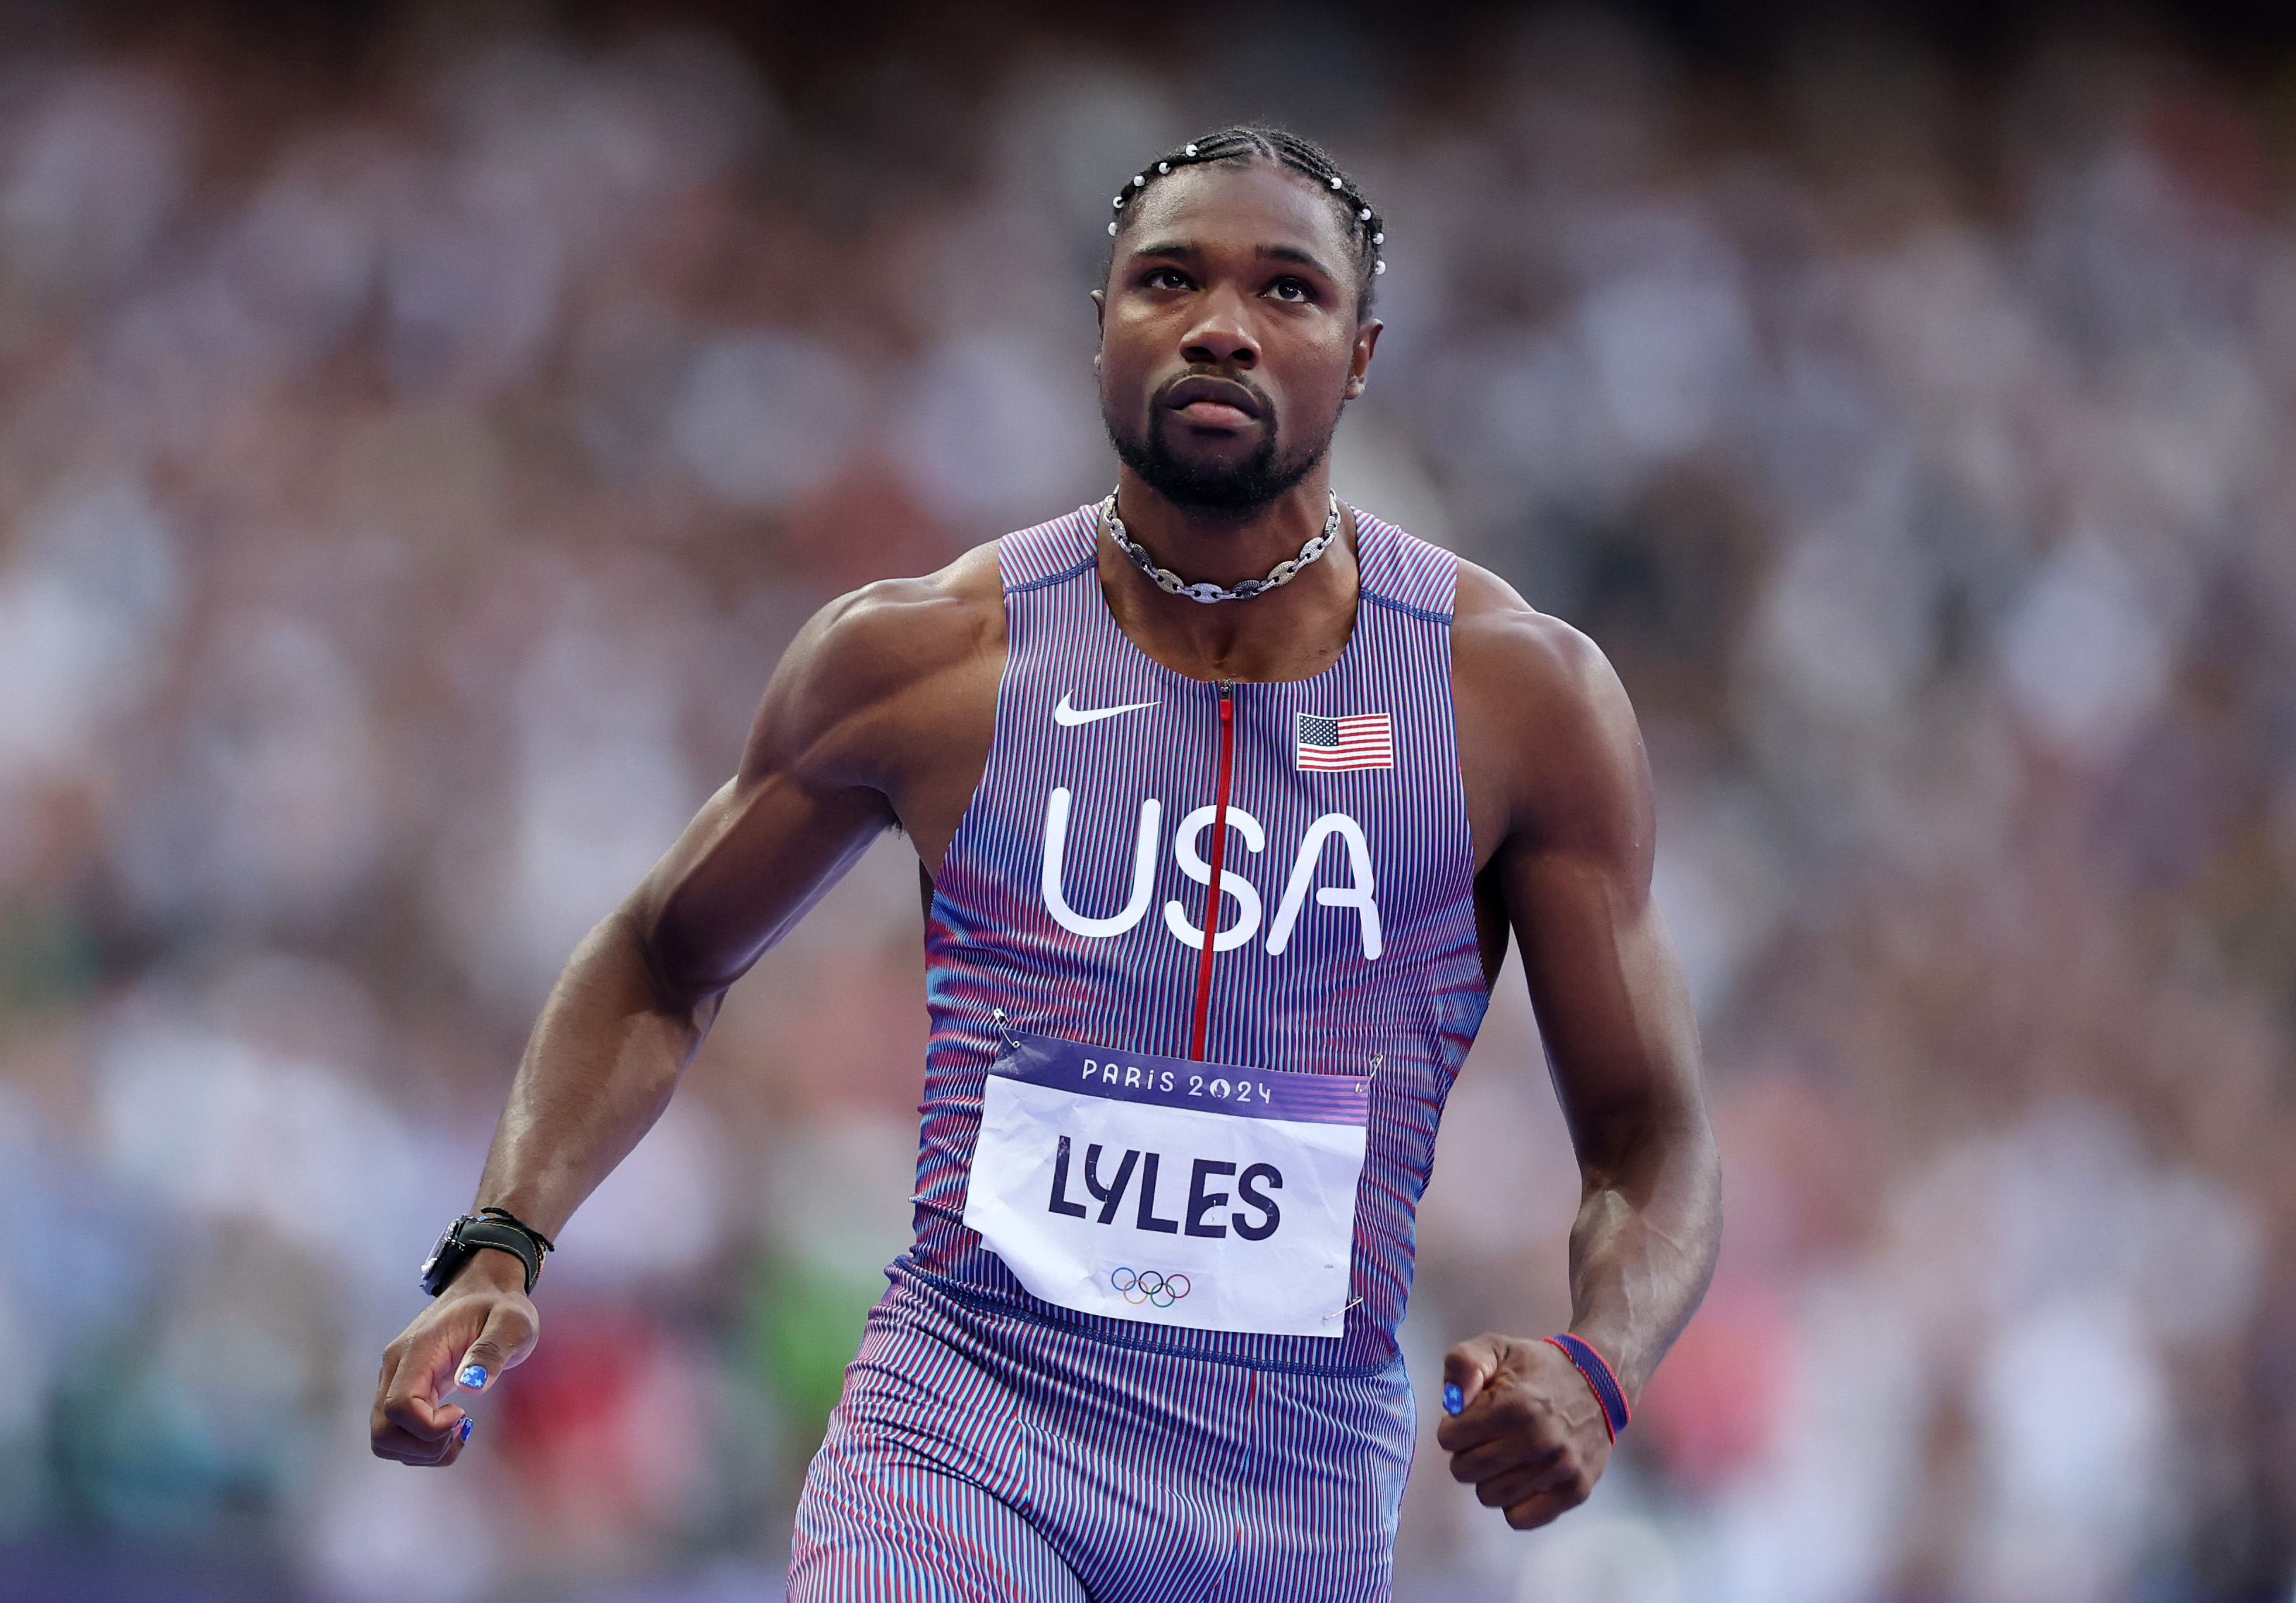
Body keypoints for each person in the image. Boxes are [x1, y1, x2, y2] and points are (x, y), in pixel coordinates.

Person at [371, 123, 1720, 1602]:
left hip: (1289, 1504)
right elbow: (659, 951)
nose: (1221, 325)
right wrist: (501, 1241)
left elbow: (1650, 1135)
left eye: (1288, 291)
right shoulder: (926, 659)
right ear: (1102, 332)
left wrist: (1604, 1360)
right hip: (961, 1437)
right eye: (1169, 281)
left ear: (1364, 351)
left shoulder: (1513, 697)